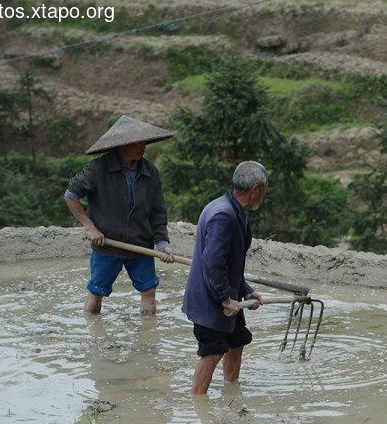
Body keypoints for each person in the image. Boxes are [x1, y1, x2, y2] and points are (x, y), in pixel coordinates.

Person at [65, 115, 176, 316]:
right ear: (122, 145)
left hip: (141, 245)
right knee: (96, 292)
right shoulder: (98, 169)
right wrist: (90, 227)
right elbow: (71, 195)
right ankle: (94, 337)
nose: (144, 147)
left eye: (145, 142)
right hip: (107, 245)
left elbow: (158, 212)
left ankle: (149, 340)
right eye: (139, 142)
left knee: (149, 291)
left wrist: (162, 244)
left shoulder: (150, 172)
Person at [183, 161, 267, 396]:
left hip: (225, 294)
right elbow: (213, 262)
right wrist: (224, 298)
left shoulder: (233, 210)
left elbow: (232, 264)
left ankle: (231, 391)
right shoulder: (223, 215)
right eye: (265, 188)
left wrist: (246, 290)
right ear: (255, 189)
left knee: (237, 341)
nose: (264, 193)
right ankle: (198, 403)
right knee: (212, 352)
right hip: (210, 299)